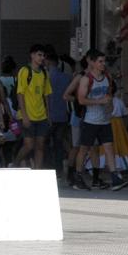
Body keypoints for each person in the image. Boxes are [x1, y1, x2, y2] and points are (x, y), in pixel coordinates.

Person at [71, 49, 128, 191]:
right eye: (100, 61)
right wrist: (100, 101)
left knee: (109, 147)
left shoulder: (107, 78)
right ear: (92, 62)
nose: (103, 64)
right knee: (84, 149)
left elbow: (108, 96)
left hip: (104, 120)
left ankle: (115, 177)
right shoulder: (86, 79)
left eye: (104, 61)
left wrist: (109, 107)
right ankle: (78, 176)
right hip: (90, 120)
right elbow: (81, 100)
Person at [13, 45, 52, 168]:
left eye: (43, 55)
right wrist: (24, 116)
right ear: (32, 55)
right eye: (39, 55)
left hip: (41, 116)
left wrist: (48, 115)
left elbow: (46, 95)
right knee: (29, 145)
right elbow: (20, 93)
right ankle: (15, 163)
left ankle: (38, 172)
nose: (42, 58)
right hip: (28, 115)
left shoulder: (44, 73)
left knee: (40, 146)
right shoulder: (25, 71)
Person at [45, 53, 74, 181]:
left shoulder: (45, 77)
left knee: (44, 143)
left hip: (47, 115)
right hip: (63, 115)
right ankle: (58, 170)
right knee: (59, 143)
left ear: (47, 62)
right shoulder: (67, 77)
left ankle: (46, 168)